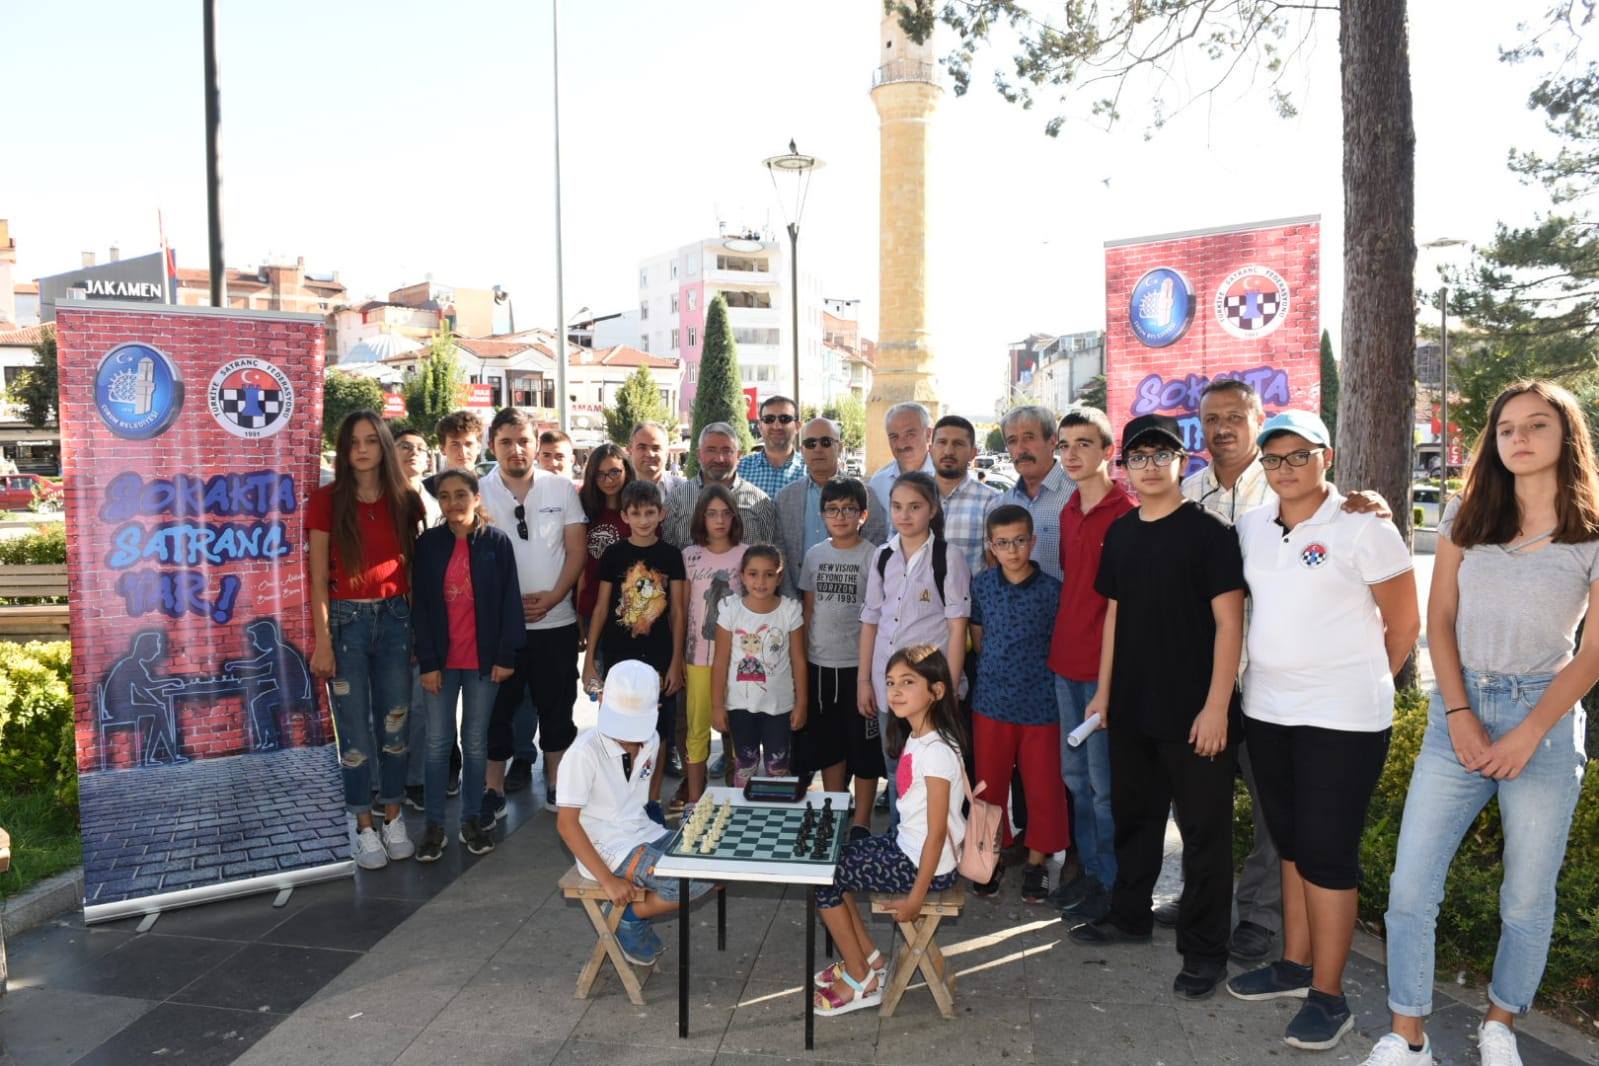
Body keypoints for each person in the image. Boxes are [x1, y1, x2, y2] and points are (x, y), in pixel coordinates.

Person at [1360, 381, 1599, 1066]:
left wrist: (1528, 733)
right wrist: (1460, 714)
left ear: (1566, 436)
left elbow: (1592, 655)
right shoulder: (1466, 513)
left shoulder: (1590, 530)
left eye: (1537, 425)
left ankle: (1499, 1024)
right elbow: (1438, 620)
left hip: (1543, 720)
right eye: (1506, 428)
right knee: (1410, 889)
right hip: (1456, 713)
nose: (1519, 437)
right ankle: (1407, 1035)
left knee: (1525, 897)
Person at [1224, 411, 1418, 1051]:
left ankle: (1330, 998)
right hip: (1268, 711)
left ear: (1325, 457)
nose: (1284, 469)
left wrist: (1358, 682)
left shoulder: (1365, 525)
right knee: (1290, 844)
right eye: (1273, 459)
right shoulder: (1251, 526)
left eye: (1298, 456)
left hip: (1343, 722)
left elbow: (1404, 626)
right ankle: (1294, 965)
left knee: (1328, 855)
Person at [1067, 413, 1245, 1003]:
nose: (1149, 466)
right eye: (1138, 457)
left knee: (1203, 838)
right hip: (1132, 707)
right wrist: (1104, 691)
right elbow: (1114, 615)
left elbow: (1230, 623)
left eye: (1160, 455)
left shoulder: (1211, 532)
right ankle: (1129, 915)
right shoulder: (1122, 533)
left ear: (1182, 461)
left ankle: (1205, 951)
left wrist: (1217, 707)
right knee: (1135, 820)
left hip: (1196, 714)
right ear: (1125, 467)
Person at [813, 645, 966, 1017]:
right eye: (891, 682)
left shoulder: (936, 752)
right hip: (909, 848)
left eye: (908, 683)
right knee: (829, 862)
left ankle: (860, 979)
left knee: (824, 879)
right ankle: (870, 961)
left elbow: (935, 834)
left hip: (924, 866)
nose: (895, 691)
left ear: (937, 690)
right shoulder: (919, 736)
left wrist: (916, 897)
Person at [306, 410, 424, 870]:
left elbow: (411, 567)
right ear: (343, 448)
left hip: (396, 621)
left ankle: (393, 816)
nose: (361, 449)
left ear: (384, 446)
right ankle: (362, 825)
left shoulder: (405, 499)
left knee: (395, 728)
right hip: (345, 623)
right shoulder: (326, 501)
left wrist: (415, 628)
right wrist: (322, 641)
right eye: (353, 441)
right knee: (354, 734)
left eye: (371, 440)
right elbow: (318, 577)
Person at [556, 659, 714, 967]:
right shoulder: (582, 754)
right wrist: (608, 881)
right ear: (601, 701)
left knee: (720, 869)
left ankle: (631, 915)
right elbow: (566, 824)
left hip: (643, 833)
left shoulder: (651, 740)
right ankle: (628, 917)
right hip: (605, 849)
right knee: (688, 882)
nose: (628, 734)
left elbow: (638, 802)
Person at [410, 468, 525, 861]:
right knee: (437, 744)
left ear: (476, 498)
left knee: (475, 743)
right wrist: (428, 662)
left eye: (461, 494)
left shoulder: (496, 542)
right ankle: (434, 825)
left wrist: (505, 656)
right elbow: (421, 609)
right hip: (441, 663)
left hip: (483, 664)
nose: (453, 503)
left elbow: (510, 602)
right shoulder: (429, 545)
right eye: (445, 496)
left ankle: (472, 819)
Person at [478, 408, 587, 822]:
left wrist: (556, 596)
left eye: (523, 441)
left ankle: (556, 782)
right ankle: (492, 788)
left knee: (557, 706)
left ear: (536, 444)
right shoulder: (477, 491)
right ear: (493, 446)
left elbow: (576, 550)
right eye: (506, 442)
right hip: (498, 629)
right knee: (496, 711)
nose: (516, 450)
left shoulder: (561, 489)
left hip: (556, 622)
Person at [1048, 406, 1134, 922]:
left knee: (1105, 789)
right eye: (1064, 445)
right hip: (1065, 663)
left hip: (1105, 674)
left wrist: (1109, 682)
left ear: (1107, 451)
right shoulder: (1067, 511)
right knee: (1076, 780)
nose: (1072, 454)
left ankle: (1112, 885)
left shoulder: (1127, 513)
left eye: (1083, 443)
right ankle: (1090, 874)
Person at [968, 503, 1069, 903]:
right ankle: (988, 858)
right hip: (991, 704)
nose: (1012, 550)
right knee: (987, 787)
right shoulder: (981, 585)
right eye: (1003, 543)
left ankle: (1037, 863)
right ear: (991, 546)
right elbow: (978, 636)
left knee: (1043, 787)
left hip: (1040, 707)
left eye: (1020, 541)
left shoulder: (1052, 591)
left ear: (1033, 541)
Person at [858, 471, 971, 820]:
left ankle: (933, 844)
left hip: (928, 688)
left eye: (915, 507)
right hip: (888, 686)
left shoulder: (948, 557)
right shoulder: (882, 556)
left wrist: (949, 688)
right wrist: (864, 681)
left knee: (932, 771)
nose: (904, 515)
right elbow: (871, 620)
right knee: (895, 770)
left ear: (932, 509)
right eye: (897, 506)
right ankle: (900, 840)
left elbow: (957, 628)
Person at [582, 478, 687, 822]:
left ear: (662, 514)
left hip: (658, 657)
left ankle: (652, 801)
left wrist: (676, 662)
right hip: (618, 658)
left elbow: (678, 612)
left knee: (658, 732)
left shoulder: (671, 556)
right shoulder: (614, 555)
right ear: (624, 516)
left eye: (650, 513)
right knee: (617, 730)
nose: (643, 520)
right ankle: (621, 800)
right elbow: (601, 608)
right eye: (636, 513)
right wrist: (590, 660)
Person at [798, 477, 887, 838]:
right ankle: (835, 810)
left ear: (863, 515)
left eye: (848, 509)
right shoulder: (815, 555)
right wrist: (803, 662)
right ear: (822, 515)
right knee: (830, 745)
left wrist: (870, 672)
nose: (840, 516)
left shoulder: (874, 556)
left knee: (863, 747)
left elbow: (878, 617)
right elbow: (808, 611)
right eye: (832, 509)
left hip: (859, 669)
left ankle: (862, 820)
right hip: (821, 666)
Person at [711, 545, 807, 785]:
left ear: (779, 577)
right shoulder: (731, 610)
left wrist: (801, 703)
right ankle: (742, 806)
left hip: (780, 708)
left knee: (778, 768)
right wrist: (717, 706)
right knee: (745, 766)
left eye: (769, 574)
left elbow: (798, 660)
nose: (761, 582)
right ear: (742, 576)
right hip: (740, 708)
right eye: (753, 574)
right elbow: (720, 662)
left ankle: (776, 806)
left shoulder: (790, 611)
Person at [681, 484, 747, 804]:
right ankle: (695, 802)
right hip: (697, 658)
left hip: (737, 660)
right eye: (711, 514)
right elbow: (681, 609)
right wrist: (677, 658)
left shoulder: (746, 554)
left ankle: (737, 799)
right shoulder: (689, 556)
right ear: (701, 517)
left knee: (737, 730)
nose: (719, 520)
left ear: (734, 517)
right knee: (697, 729)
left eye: (725, 513)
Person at [393, 425, 445, 812]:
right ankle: (384, 783)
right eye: (405, 446)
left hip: (428, 612)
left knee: (423, 704)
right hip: (388, 609)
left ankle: (416, 780)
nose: (414, 452)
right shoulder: (382, 497)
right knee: (388, 706)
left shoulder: (435, 501)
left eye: (421, 447)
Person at [776, 417, 886, 595]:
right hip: (796, 600)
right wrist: (792, 602)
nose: (818, 449)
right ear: (802, 450)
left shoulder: (866, 495)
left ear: (839, 447)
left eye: (826, 442)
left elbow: (875, 547)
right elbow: (780, 553)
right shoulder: (785, 498)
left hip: (850, 600)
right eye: (810, 443)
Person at [664, 422, 778, 550]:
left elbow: (772, 555)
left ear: (738, 455)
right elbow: (667, 554)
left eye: (726, 451)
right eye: (711, 450)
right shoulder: (676, 500)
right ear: (698, 454)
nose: (719, 459)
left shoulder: (760, 502)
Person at [997, 404, 1075, 580]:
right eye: (1012, 441)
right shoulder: (1002, 504)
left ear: (1053, 441)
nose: (1020, 449)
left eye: (1029, 438)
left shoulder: (1077, 496)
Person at [575, 443, 636, 636]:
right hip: (591, 609)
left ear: (626, 469)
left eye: (614, 472)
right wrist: (578, 611)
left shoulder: (639, 511)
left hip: (631, 612)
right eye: (600, 474)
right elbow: (581, 567)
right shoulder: (583, 509)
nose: (608, 480)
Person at [930, 414, 1000, 575]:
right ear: (931, 449)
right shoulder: (911, 496)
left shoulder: (991, 501)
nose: (948, 451)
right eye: (942, 442)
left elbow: (995, 566)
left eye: (958, 444)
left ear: (973, 453)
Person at [866, 402, 936, 521]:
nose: (901, 444)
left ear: (929, 435)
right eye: (894, 437)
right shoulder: (877, 484)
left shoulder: (947, 480)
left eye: (910, 434)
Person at [737, 395, 807, 496]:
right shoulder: (740, 468)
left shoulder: (809, 470)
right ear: (760, 426)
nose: (776, 426)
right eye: (769, 419)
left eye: (784, 419)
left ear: (797, 426)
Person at [423, 409, 486, 497]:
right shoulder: (425, 491)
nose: (463, 452)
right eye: (455, 445)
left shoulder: (491, 486)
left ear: (478, 448)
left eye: (469, 444)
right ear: (442, 449)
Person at [629, 420, 684, 495]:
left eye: (656, 448)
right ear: (630, 451)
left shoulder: (686, 489)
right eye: (642, 447)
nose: (649, 454)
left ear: (666, 453)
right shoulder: (618, 490)